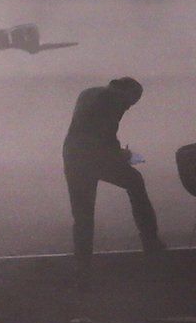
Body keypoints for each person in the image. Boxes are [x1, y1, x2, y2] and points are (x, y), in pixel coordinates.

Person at [63, 77, 165, 275]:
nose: (128, 108)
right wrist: (123, 155)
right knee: (135, 182)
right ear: (126, 93)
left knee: (83, 214)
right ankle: (150, 241)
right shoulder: (113, 99)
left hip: (72, 156)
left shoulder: (88, 92)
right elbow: (106, 136)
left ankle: (82, 265)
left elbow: (91, 130)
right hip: (93, 158)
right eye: (130, 103)